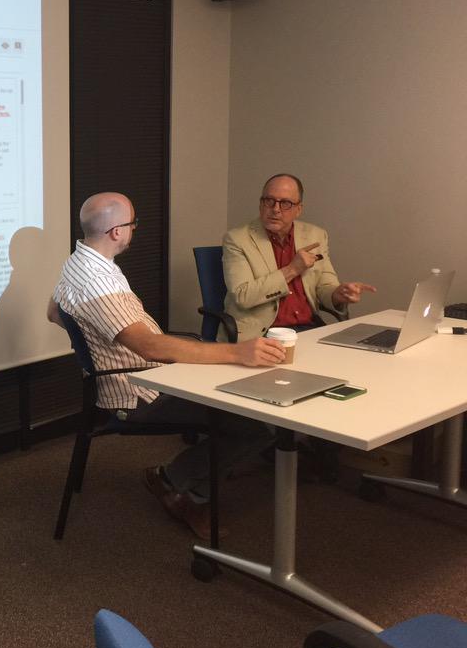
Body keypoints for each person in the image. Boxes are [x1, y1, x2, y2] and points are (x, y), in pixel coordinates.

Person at [47, 192, 284, 540]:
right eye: (133, 225)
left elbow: (54, 313)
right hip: (140, 391)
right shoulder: (98, 282)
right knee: (257, 423)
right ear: (117, 232)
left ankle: (180, 479)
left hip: (143, 373)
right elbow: (150, 347)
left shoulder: (80, 260)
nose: (134, 230)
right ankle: (178, 485)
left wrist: (94, 345)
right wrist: (237, 353)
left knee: (245, 395)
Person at [222, 173, 376, 342]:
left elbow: (325, 286)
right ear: (261, 204)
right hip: (265, 333)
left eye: (285, 203)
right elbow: (243, 296)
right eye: (269, 201)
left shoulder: (315, 236)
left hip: (309, 329)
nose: (275, 209)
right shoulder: (238, 239)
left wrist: (338, 295)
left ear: (298, 209)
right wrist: (292, 269)